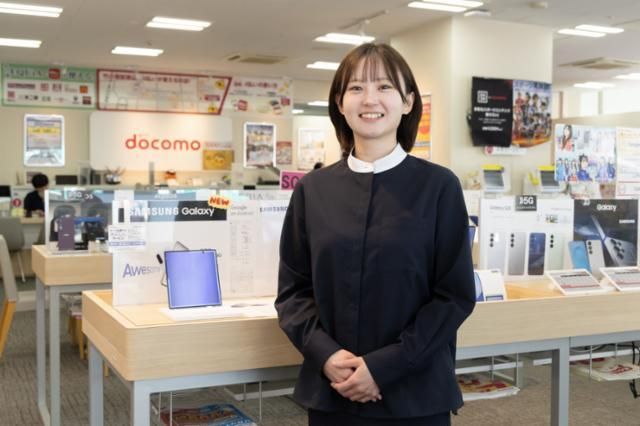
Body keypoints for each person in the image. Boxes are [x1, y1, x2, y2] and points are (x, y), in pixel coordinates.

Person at [275, 43, 476, 426]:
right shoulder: (312, 190)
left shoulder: (438, 187)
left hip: (414, 393)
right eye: (356, 88)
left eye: (384, 86)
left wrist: (384, 367)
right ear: (340, 103)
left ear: (408, 101)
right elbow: (293, 293)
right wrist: (326, 355)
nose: (370, 99)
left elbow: (454, 295)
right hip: (333, 392)